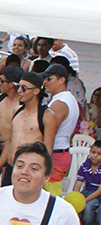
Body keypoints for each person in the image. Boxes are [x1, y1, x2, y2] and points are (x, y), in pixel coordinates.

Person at [0, 72, 56, 188]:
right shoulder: (17, 111)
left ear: (36, 91)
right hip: (11, 167)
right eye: (18, 86)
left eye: (24, 88)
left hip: (29, 172)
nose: (19, 91)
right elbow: (10, 142)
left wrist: (42, 176)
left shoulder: (46, 115)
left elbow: (48, 151)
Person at [43, 63, 80, 192]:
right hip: (61, 152)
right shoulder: (68, 98)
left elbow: (48, 132)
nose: (45, 82)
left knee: (49, 198)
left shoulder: (59, 103)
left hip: (55, 155)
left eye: (49, 78)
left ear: (61, 80)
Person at [75, 140, 101, 225]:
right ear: (90, 151)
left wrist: (84, 201)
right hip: (86, 192)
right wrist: (76, 198)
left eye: (99, 154)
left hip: (97, 194)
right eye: (93, 152)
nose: (95, 156)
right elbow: (77, 185)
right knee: (72, 207)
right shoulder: (84, 166)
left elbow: (99, 191)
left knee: (88, 208)